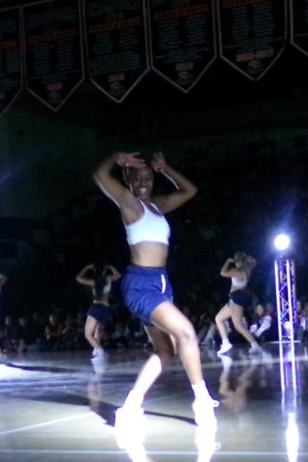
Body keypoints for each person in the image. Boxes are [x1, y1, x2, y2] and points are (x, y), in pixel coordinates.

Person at [93, 150, 218, 434]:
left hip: (161, 282)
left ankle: (128, 409)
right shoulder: (128, 203)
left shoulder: (157, 206)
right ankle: (201, 400)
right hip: (141, 284)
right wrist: (114, 157)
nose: (144, 181)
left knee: (165, 352)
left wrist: (166, 169)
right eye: (138, 177)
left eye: (148, 177)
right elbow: (100, 176)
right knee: (186, 332)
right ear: (129, 179)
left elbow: (190, 190)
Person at [213, 252, 262, 355]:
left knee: (238, 325)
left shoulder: (237, 271)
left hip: (236, 298)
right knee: (218, 318)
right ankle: (225, 343)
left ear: (236, 261)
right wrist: (250, 257)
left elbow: (222, 272)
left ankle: (255, 345)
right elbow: (255, 262)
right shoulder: (248, 268)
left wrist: (227, 261)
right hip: (237, 297)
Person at [76, 262, 121, 365]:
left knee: (88, 334)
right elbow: (118, 275)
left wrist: (87, 267)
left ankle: (100, 352)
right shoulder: (108, 279)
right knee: (98, 330)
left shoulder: (94, 282)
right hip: (105, 308)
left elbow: (78, 278)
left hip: (97, 307)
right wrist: (110, 266)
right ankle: (97, 351)